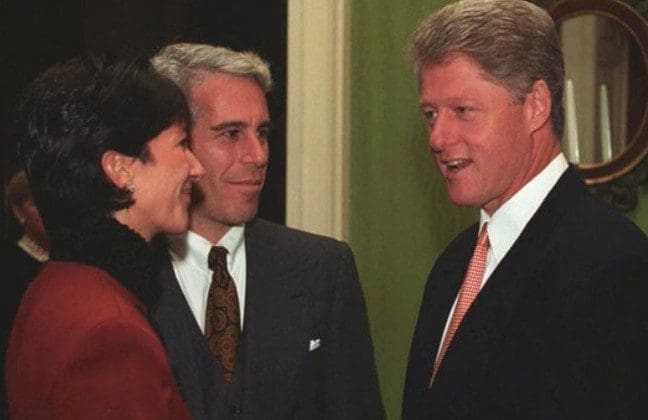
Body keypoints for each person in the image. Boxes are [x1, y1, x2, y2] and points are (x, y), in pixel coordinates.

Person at [402, 0, 648, 418]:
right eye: (430, 114)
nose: (437, 138)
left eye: (462, 111)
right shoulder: (453, 265)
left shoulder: (612, 262)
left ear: (536, 105)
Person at [151, 43, 385, 419]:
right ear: (177, 142)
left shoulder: (322, 269)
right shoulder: (122, 277)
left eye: (262, 133)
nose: (258, 156)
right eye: (231, 134)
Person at [5, 54, 204, 418]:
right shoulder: (110, 333)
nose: (196, 167)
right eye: (181, 144)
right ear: (120, 168)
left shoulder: (57, 283)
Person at [1, 169, 50, 417]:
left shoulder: (69, 258)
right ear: (18, 212)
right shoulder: (8, 265)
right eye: (35, 203)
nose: (46, 210)